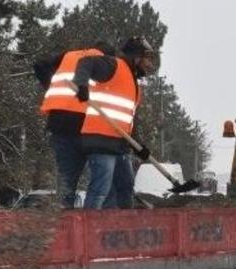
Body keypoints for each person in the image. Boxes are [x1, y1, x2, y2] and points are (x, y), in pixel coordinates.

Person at [72, 37, 156, 209]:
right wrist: (81, 85)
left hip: (120, 144)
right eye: (146, 58)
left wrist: (139, 146)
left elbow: (126, 121)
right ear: (136, 57)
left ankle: (119, 226)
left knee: (125, 186)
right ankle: (87, 227)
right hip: (100, 139)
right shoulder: (114, 66)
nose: (149, 64)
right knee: (100, 188)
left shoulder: (134, 85)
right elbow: (86, 62)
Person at [35, 42, 115, 209]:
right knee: (102, 179)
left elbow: (39, 65)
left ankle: (64, 227)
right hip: (88, 126)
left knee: (66, 183)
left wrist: (50, 86)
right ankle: (89, 223)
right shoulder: (105, 62)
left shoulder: (68, 55)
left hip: (59, 124)